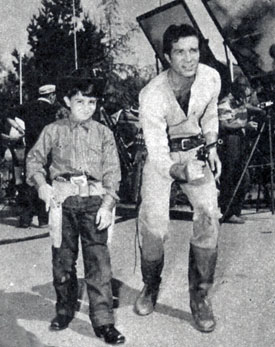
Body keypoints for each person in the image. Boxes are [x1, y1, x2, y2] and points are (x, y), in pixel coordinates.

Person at [134, 24, 222, 333]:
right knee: (154, 226)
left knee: (209, 216)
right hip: (163, 160)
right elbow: (157, 152)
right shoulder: (152, 94)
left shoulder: (211, 77)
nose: (188, 58)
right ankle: (150, 284)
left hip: (195, 151)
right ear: (168, 56)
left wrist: (211, 146)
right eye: (180, 52)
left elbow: (210, 114)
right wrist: (177, 170)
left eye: (193, 50)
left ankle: (199, 296)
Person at [26, 74, 125, 345]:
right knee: (63, 261)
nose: (87, 107)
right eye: (80, 101)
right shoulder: (53, 130)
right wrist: (42, 186)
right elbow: (34, 160)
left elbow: (112, 172)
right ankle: (65, 310)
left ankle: (104, 321)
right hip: (63, 203)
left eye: (92, 101)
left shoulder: (104, 133)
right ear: (67, 101)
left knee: (99, 264)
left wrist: (108, 205)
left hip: (94, 203)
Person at [7, 84, 58, 228]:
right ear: (51, 95)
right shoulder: (54, 109)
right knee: (45, 182)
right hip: (48, 152)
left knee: (29, 183)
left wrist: (19, 128)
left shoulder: (27, 106)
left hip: (31, 150)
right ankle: (43, 220)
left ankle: (25, 219)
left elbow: (7, 115)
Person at [218, 75, 260, 223]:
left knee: (244, 177)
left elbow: (246, 107)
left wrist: (259, 110)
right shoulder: (225, 103)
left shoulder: (239, 101)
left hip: (240, 141)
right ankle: (228, 213)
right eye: (242, 88)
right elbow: (225, 125)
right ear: (236, 88)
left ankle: (236, 210)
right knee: (230, 175)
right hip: (230, 141)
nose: (245, 93)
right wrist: (244, 125)